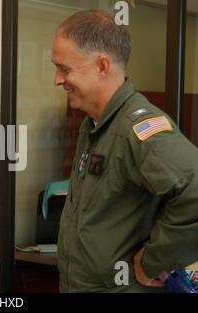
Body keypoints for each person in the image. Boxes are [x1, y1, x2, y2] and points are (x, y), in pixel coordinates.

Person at [51, 10, 198, 292]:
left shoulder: (138, 128)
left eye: (65, 69)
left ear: (102, 66)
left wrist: (154, 261)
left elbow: (194, 190)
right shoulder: (94, 125)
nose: (57, 79)